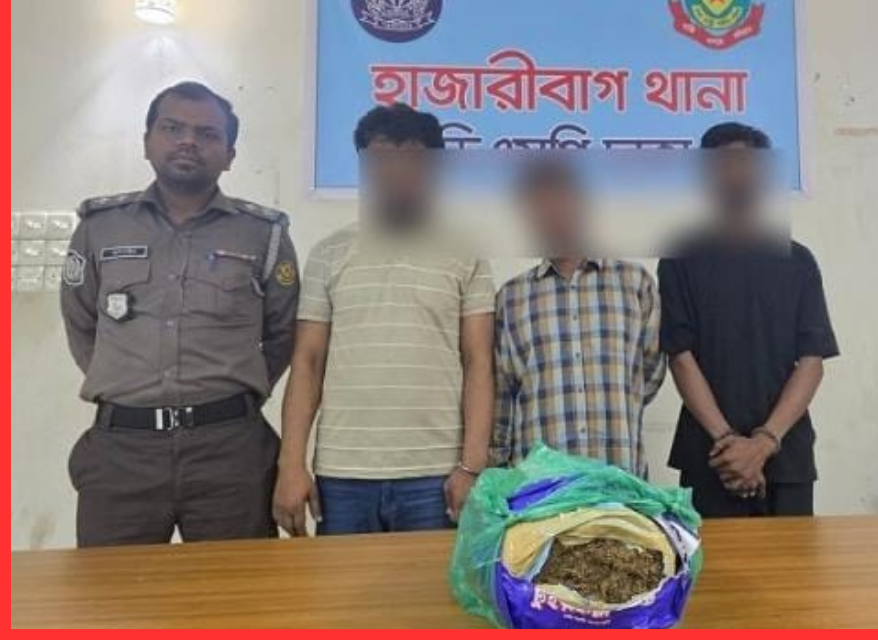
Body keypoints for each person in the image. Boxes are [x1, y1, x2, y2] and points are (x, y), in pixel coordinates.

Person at [60, 81, 299, 547]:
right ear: (147, 141)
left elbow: (283, 332)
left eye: (207, 134)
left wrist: (230, 394)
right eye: (172, 128)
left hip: (230, 450)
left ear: (230, 155)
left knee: (237, 587)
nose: (188, 141)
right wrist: (129, 383)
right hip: (122, 450)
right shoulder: (99, 227)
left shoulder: (263, 234)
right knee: (112, 589)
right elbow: (81, 321)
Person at [272, 103, 494, 536]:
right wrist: (291, 464)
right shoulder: (329, 253)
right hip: (343, 473)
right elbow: (307, 362)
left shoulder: (466, 253)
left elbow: (479, 363)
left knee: (431, 583)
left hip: (436, 474)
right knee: (340, 583)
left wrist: (471, 466)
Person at [657, 122, 839, 517]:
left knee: (792, 560)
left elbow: (812, 362)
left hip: (785, 456)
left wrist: (764, 442)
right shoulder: (678, 260)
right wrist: (728, 443)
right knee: (713, 561)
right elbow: (681, 358)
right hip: (710, 457)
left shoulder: (798, 261)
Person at [491, 158, 666, 476]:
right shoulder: (511, 298)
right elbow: (503, 393)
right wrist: (496, 468)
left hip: (618, 477)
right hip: (540, 485)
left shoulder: (634, 284)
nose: (553, 214)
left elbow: (649, 374)